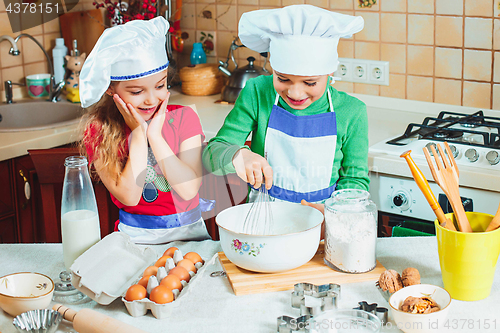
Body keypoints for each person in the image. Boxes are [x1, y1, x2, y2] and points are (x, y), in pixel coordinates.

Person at [203, 5, 369, 213]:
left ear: (329, 73)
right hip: (263, 220)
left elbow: (355, 180)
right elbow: (212, 154)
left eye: (309, 83)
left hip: (324, 223)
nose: (295, 93)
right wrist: (237, 155)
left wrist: (336, 214)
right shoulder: (257, 92)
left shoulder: (352, 112)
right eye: (282, 78)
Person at [79, 17, 213, 244]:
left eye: (160, 86)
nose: (152, 99)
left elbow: (189, 190)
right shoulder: (98, 131)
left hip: (191, 236)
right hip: (134, 238)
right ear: (111, 88)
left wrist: (155, 137)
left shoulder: (184, 117)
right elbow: (130, 197)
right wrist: (139, 135)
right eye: (137, 91)